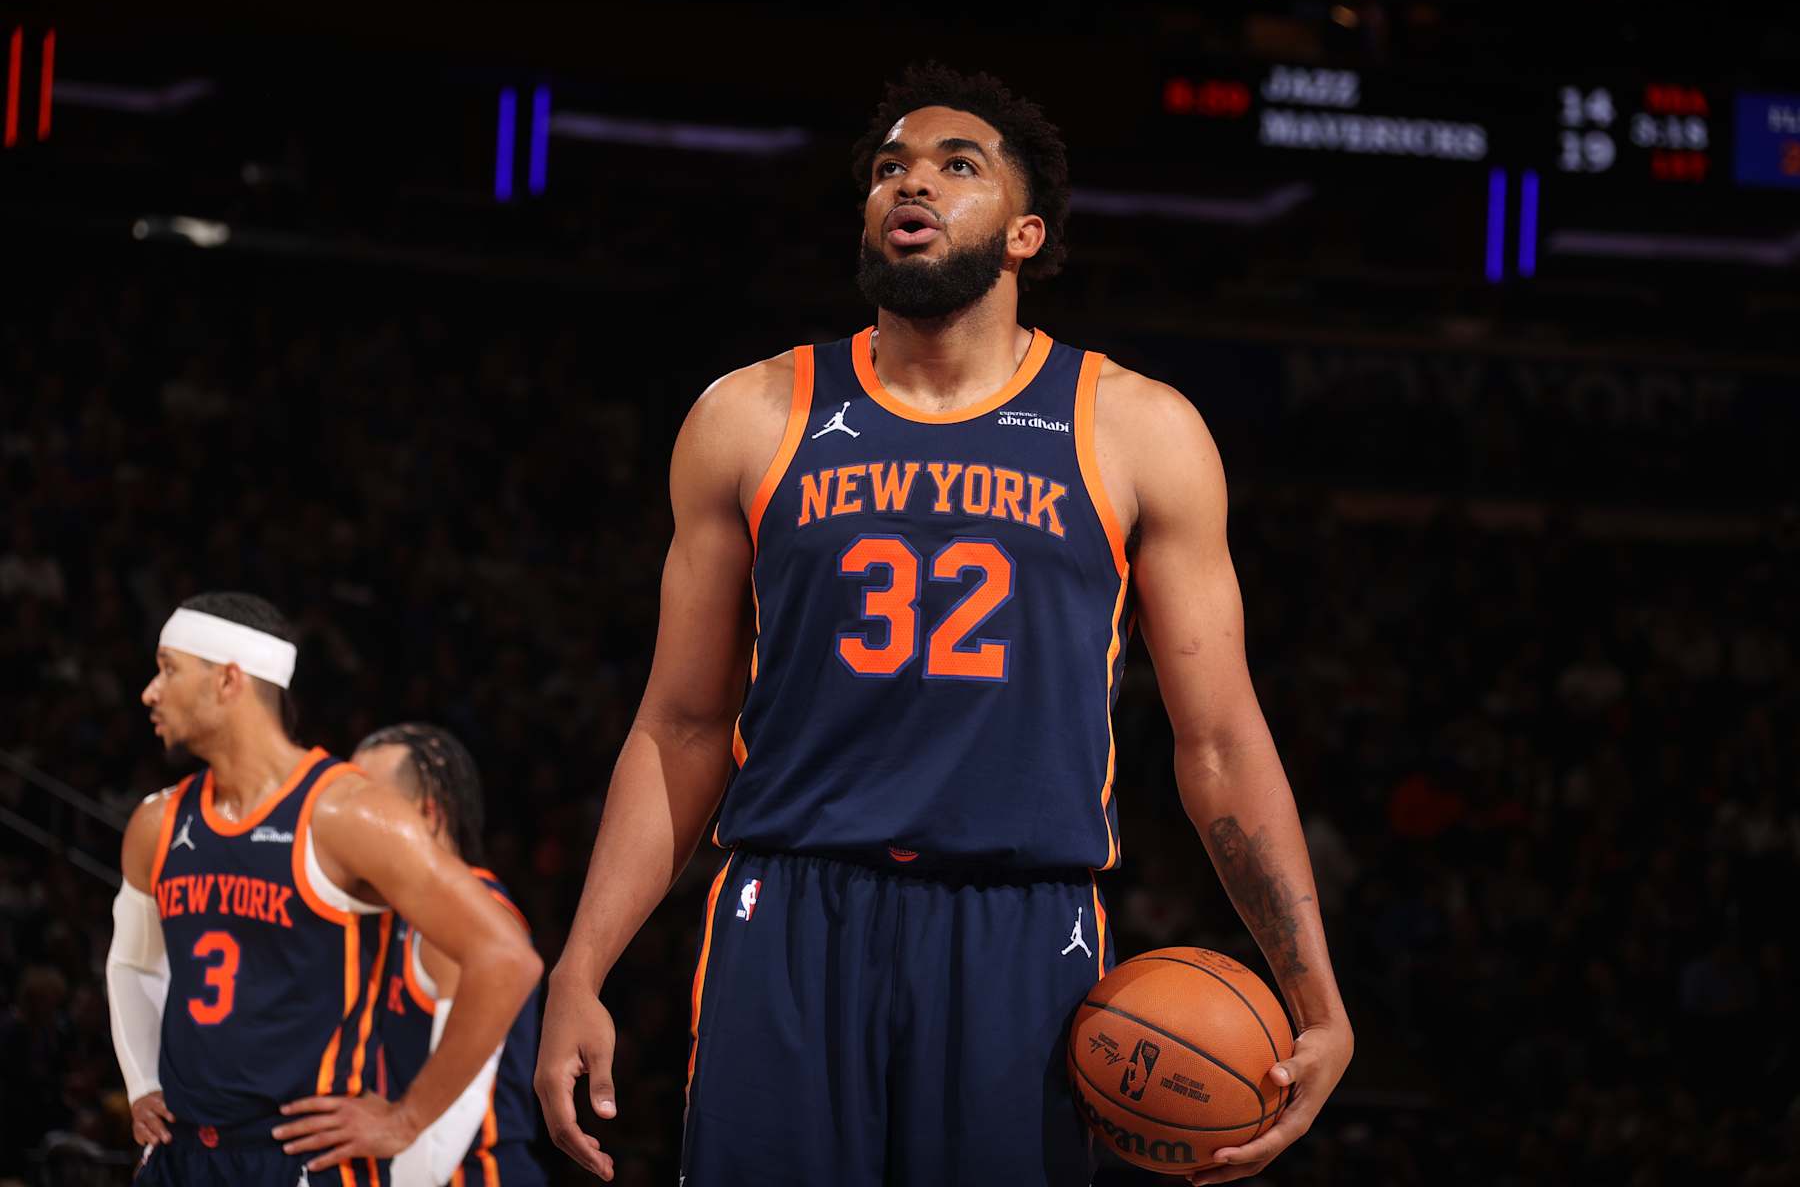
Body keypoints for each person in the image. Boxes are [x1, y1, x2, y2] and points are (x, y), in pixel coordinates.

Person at [534, 64, 1353, 1187]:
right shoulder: (749, 414)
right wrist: (580, 969)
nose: (909, 183)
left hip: (1022, 930)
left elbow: (1216, 741)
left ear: (1024, 233)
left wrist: (1316, 999)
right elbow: (679, 727)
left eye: (955, 165)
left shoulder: (1138, 429)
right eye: (888, 168)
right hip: (790, 910)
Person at [107, 592, 541, 1187]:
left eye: (169, 668)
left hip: (298, 1161)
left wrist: (407, 1118)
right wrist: (141, 1084)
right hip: (183, 1155)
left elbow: (507, 957)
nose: (150, 691)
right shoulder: (157, 822)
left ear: (228, 679)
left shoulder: (348, 814)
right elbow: (131, 963)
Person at [354, 723, 548, 1187]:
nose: (349, 820)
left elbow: (450, 1121)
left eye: (367, 806)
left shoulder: (469, 919)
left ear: (428, 815)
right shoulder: (382, 910)